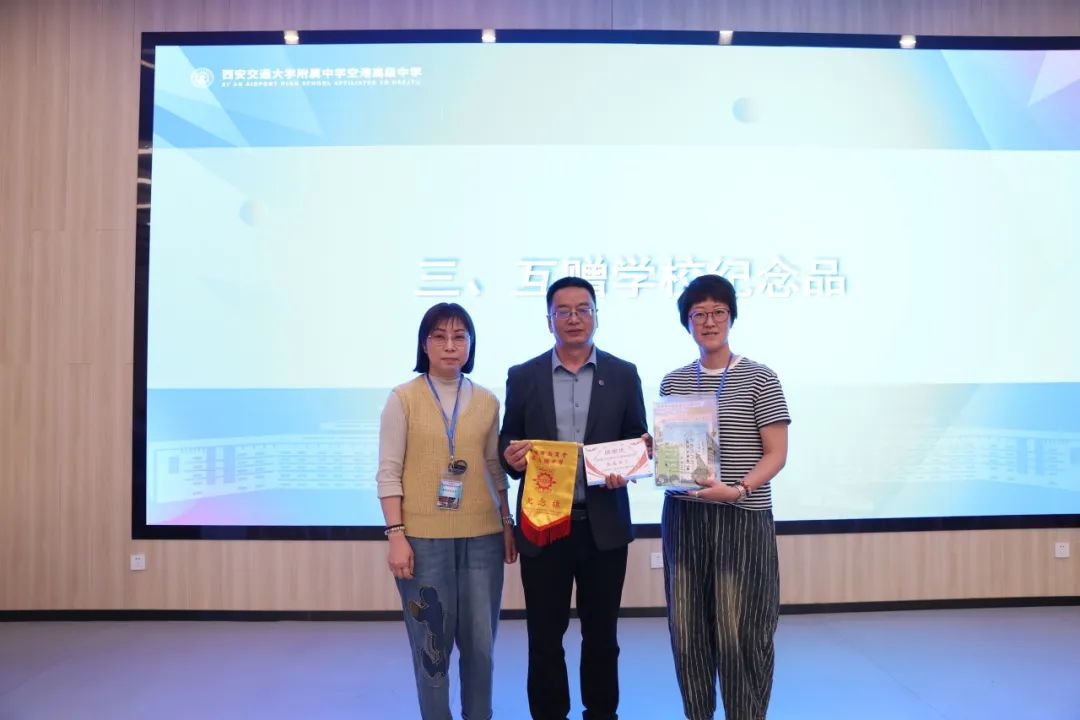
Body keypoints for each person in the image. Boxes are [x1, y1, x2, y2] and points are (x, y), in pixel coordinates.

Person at [499, 276, 649, 720]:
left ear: (596, 316)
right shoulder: (523, 376)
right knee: (545, 637)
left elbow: (636, 437)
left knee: (602, 636)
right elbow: (509, 440)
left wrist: (631, 463)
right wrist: (511, 458)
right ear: (548, 321)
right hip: (543, 525)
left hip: (603, 526)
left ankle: (602, 713)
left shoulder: (623, 374)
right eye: (562, 311)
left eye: (583, 309)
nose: (573, 318)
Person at [659, 274, 791, 720]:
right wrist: (652, 449)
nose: (709, 321)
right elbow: (673, 452)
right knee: (687, 631)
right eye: (699, 314)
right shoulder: (674, 381)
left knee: (743, 631)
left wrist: (738, 489)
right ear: (687, 322)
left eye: (718, 312)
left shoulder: (760, 378)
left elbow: (777, 453)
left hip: (742, 516)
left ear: (731, 317)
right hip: (685, 517)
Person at [377, 302, 518, 720]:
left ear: (471, 344)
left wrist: (506, 524)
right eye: (439, 337)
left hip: (483, 538)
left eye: (459, 337)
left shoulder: (488, 401)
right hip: (423, 541)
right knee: (432, 649)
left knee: (481, 647)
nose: (450, 345)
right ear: (425, 345)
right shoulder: (402, 399)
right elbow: (388, 472)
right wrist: (396, 535)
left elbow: (494, 467)